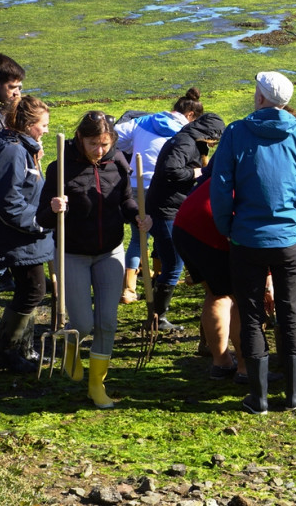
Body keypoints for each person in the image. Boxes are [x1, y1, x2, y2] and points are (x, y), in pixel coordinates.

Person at [210, 71, 296, 414]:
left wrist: (226, 226)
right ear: (285, 102)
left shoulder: (235, 132)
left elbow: (220, 186)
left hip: (246, 238)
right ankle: (292, 395)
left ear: (260, 97)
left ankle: (258, 398)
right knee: (291, 315)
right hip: (287, 239)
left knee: (251, 314)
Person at [36, 111, 151, 407]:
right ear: (80, 139)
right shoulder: (60, 168)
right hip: (72, 253)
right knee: (83, 325)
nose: (99, 150)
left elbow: (125, 200)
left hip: (110, 251)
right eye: (92, 143)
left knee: (108, 323)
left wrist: (137, 215)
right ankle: (71, 350)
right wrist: (54, 207)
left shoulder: (118, 164)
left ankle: (96, 386)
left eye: (104, 143)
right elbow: (43, 218)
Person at [115, 88, 203, 318]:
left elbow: (114, 135)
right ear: (191, 115)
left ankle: (128, 289)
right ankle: (158, 280)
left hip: (136, 184)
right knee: (165, 236)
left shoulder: (144, 120)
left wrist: (128, 152)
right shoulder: (185, 133)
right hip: (162, 189)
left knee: (138, 237)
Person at [145, 112, 224, 328]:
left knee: (168, 257)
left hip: (170, 206)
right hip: (166, 209)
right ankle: (157, 318)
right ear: (209, 134)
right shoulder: (184, 143)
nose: (214, 144)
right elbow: (170, 170)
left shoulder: (189, 140)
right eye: (214, 140)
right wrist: (197, 173)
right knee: (173, 265)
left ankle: (155, 309)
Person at [172, 166, 247, 383]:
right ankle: (244, 368)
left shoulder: (240, 156)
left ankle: (221, 363)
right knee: (233, 298)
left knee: (216, 293)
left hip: (186, 223)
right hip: (208, 228)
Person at [0, 95, 53, 373]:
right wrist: (38, 222)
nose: (45, 129)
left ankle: (24, 349)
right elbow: (8, 201)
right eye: (42, 124)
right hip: (19, 236)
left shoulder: (26, 148)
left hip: (28, 235)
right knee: (33, 290)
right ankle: (7, 351)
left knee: (31, 290)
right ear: (28, 123)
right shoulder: (13, 151)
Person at [0, 54, 26, 294]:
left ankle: (8, 275)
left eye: (19, 87)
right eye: (11, 87)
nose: (17, 93)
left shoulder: (5, 110)